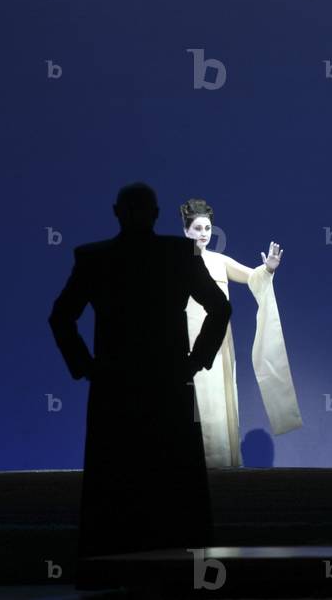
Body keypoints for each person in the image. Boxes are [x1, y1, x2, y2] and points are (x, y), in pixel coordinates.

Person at [48, 183, 231, 573]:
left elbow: (61, 318)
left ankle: (110, 572)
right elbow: (220, 308)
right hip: (167, 384)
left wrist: (88, 367)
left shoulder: (95, 258)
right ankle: (186, 576)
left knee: (115, 488)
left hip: (116, 387)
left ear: (117, 211)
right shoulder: (179, 254)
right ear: (156, 212)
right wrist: (195, 361)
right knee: (176, 489)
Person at [179, 198, 302, 468]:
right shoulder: (176, 262)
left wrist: (268, 268)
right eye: (198, 228)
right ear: (186, 230)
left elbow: (252, 278)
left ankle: (221, 464)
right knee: (191, 404)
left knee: (219, 403)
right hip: (185, 342)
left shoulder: (218, 260)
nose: (203, 234)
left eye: (207, 229)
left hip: (218, 345)